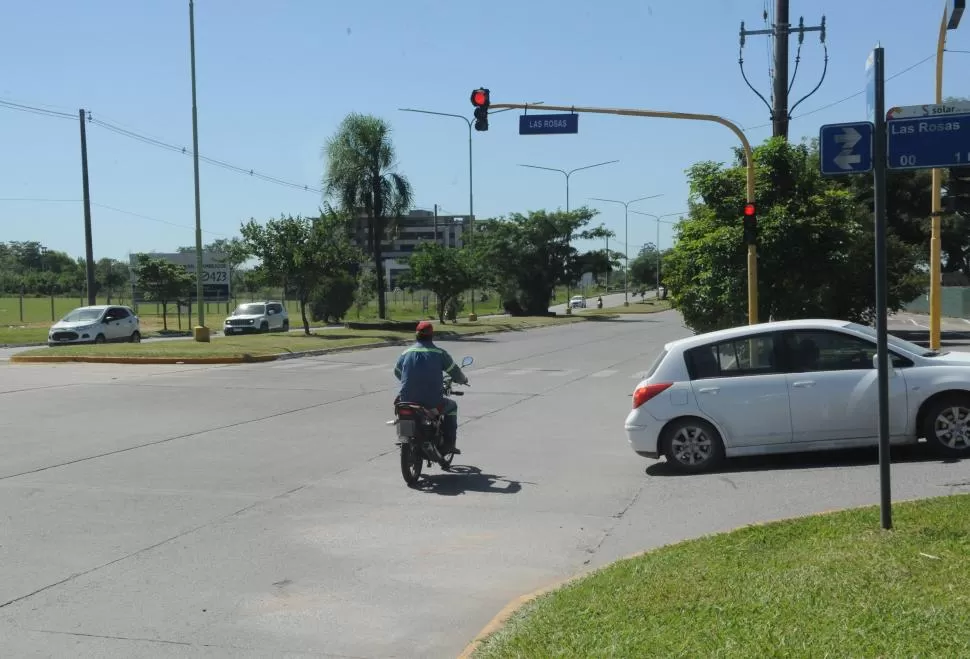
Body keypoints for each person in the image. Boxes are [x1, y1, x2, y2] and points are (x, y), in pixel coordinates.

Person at [393, 320, 469, 455]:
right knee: (452, 406)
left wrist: (411, 382)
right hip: (432, 402)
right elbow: (456, 373)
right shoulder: (439, 353)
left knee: (403, 414)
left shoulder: (406, 353)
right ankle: (449, 444)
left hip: (406, 400)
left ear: (416, 335)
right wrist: (463, 380)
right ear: (431, 335)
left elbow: (397, 372)